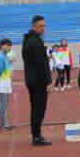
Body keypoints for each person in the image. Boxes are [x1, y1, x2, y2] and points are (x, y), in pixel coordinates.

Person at [22, 15, 52, 146]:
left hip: (30, 79)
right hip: (38, 81)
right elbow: (41, 64)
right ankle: (37, 136)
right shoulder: (36, 41)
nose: (43, 28)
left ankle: (36, 135)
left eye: (44, 26)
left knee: (35, 108)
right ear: (34, 26)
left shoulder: (27, 40)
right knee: (39, 109)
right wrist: (48, 82)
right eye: (41, 26)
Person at [0, 39, 14, 131]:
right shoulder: (0, 57)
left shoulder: (5, 56)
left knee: (4, 104)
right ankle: (3, 124)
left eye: (10, 46)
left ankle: (4, 123)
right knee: (2, 105)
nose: (9, 48)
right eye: (7, 45)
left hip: (6, 82)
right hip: (2, 83)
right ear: (2, 46)